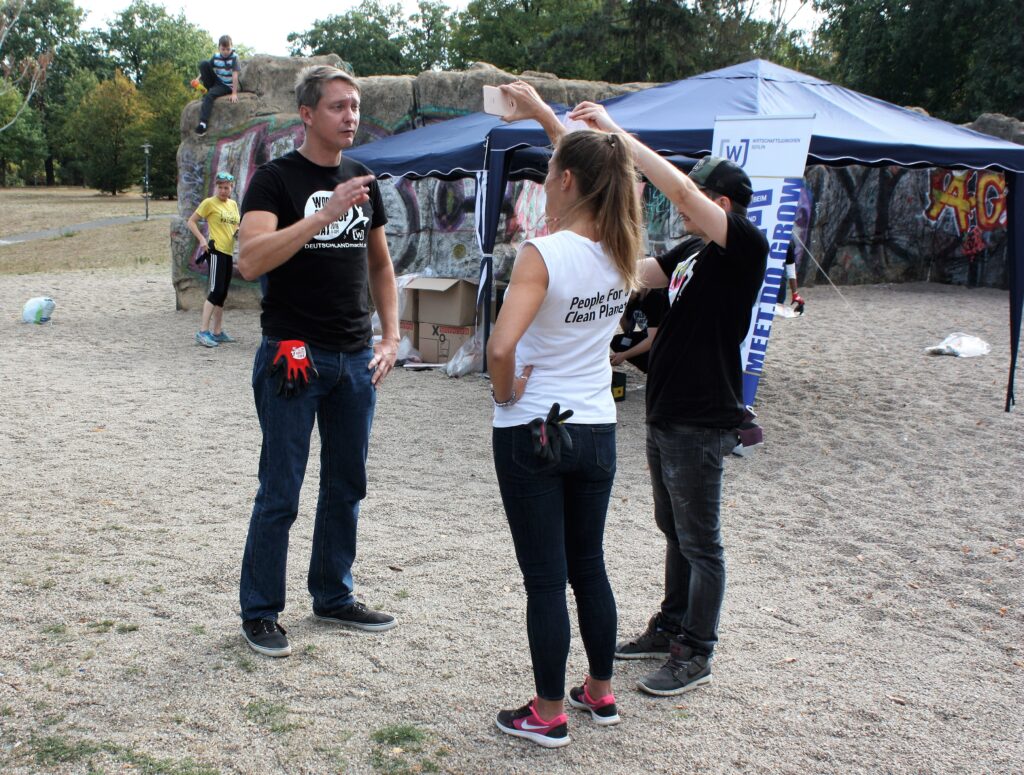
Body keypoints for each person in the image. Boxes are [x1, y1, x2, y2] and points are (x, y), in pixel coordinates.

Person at [566, 103, 769, 696]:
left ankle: (696, 650)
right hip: (667, 410)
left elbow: (676, 184)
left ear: (720, 203)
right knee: (674, 528)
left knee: (701, 540)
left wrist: (619, 137)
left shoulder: (743, 245)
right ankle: (671, 623)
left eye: (696, 197)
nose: (682, 205)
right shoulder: (695, 251)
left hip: (703, 416)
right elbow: (637, 271)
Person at [486, 81, 642, 748]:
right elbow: (610, 178)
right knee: (589, 565)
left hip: (534, 426)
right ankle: (599, 692)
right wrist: (551, 120)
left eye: (550, 170)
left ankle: (548, 711)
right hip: (595, 426)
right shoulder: (622, 250)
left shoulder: (544, 252)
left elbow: (500, 345)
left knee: (546, 577)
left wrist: (502, 389)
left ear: (568, 179)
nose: (544, 180)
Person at [234, 65, 400, 658]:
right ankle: (261, 612)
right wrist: (322, 216)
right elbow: (250, 260)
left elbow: (381, 266)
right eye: (337, 107)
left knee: (346, 483)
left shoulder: (363, 177)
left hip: (356, 358)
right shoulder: (274, 180)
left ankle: (333, 595)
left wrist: (391, 337)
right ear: (307, 114)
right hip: (292, 354)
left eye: (354, 106)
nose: (350, 116)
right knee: (281, 489)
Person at [187, 171, 240, 347]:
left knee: (223, 293)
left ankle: (217, 332)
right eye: (220, 187)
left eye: (227, 187)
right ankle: (203, 331)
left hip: (228, 251)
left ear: (232, 188)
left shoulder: (233, 204)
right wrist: (202, 240)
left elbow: (236, 226)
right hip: (216, 251)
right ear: (216, 187)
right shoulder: (209, 203)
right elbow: (191, 221)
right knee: (215, 291)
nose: (223, 191)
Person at [195, 35, 240, 135]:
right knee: (204, 64)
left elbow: (235, 76)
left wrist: (234, 93)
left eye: (228, 49)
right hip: (217, 81)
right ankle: (207, 91)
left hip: (227, 85)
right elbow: (206, 69)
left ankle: (203, 124)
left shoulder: (234, 58)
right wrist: (197, 79)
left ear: (231, 47)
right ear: (219, 47)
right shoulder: (216, 57)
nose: (225, 52)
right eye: (223, 49)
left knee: (210, 96)